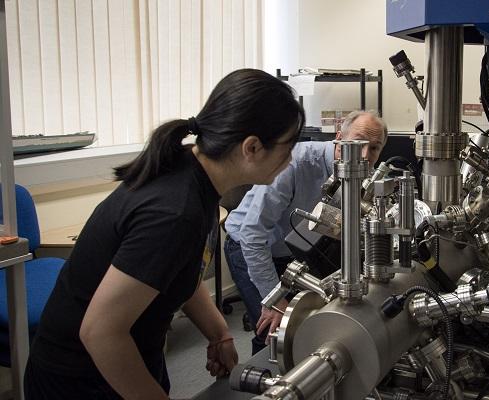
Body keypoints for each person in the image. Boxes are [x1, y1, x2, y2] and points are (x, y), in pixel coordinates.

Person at [24, 69, 305, 400]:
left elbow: (178, 270)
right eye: (287, 149)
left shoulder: (195, 174)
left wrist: (219, 334)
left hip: (132, 354)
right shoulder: (174, 213)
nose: (289, 162)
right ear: (252, 147)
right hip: (81, 377)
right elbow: (101, 333)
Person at [224, 110, 387, 354]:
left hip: (294, 250)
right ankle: (263, 377)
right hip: (250, 245)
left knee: (307, 322)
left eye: (374, 148)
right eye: (358, 142)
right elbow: (252, 233)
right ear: (339, 137)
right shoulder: (295, 163)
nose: (364, 155)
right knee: (274, 327)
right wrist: (275, 300)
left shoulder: (360, 174)